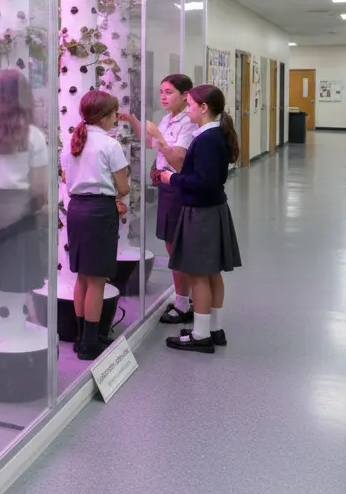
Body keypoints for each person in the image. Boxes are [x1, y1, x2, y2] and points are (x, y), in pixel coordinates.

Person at [159, 85, 243, 353]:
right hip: (214, 209)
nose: (189, 109)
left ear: (204, 108)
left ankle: (200, 334)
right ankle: (213, 328)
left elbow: (204, 181)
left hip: (202, 212)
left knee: (198, 275)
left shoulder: (206, 140)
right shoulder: (215, 135)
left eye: (191, 105)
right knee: (212, 273)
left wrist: (171, 177)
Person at [121, 74, 198, 325]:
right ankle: (184, 298)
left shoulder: (189, 122)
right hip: (166, 186)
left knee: (176, 246)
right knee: (170, 244)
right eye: (162, 92)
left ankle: (182, 302)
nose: (163, 97)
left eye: (169, 92)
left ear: (186, 95)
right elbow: (151, 143)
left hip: (177, 185)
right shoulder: (168, 118)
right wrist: (134, 121)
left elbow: (178, 160)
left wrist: (161, 138)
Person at [61, 90, 131, 360]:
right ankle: (91, 343)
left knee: (82, 277)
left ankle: (81, 338)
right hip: (100, 212)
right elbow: (123, 188)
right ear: (104, 116)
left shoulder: (73, 141)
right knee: (97, 280)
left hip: (76, 209)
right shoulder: (110, 146)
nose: (116, 118)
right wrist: (114, 196)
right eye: (114, 113)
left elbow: (67, 178)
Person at [0, 69, 49, 298]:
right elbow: (39, 189)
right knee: (16, 278)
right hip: (18, 214)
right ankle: (12, 326)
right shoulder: (33, 136)